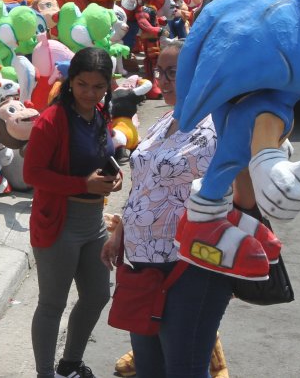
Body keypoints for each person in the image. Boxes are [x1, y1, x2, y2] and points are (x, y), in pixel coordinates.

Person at [103, 38, 230, 378]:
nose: (163, 80)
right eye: (160, 71)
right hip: (143, 263)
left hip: (190, 267)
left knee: (184, 369)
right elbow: (143, 182)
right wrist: (120, 232)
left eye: (174, 72)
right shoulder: (166, 119)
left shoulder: (219, 125)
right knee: (149, 368)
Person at [25, 47, 123, 378]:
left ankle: (70, 363)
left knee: (97, 295)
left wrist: (113, 175)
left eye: (98, 87)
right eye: (82, 85)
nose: (90, 93)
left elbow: (103, 153)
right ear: (70, 82)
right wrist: (83, 183)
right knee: (52, 304)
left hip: (94, 223)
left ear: (108, 86)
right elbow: (32, 174)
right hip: (58, 224)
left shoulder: (99, 115)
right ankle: (45, 374)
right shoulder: (51, 120)